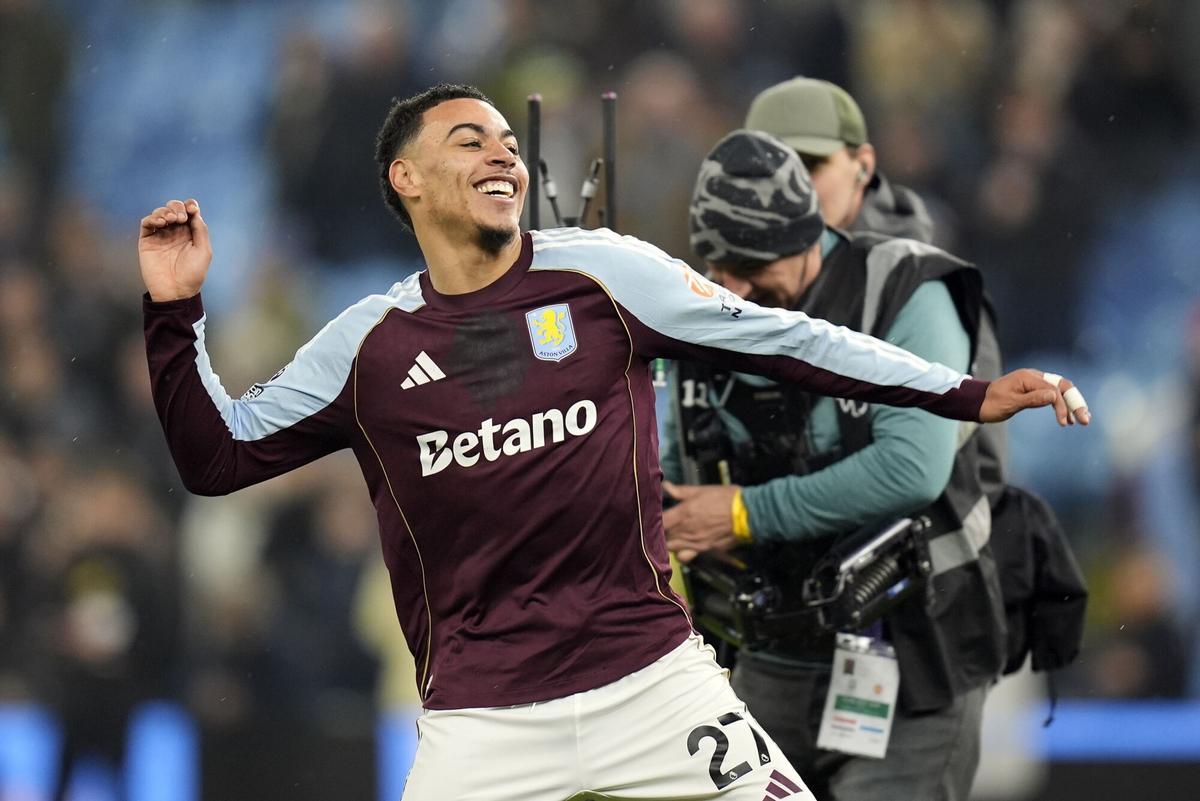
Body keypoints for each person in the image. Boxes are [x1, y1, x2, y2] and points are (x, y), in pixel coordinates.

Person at [138, 83, 1086, 801]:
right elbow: (217, 458)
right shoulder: (367, 344)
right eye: (471, 141)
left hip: (653, 685)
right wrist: (175, 315)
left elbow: (793, 341)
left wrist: (964, 394)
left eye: (511, 143)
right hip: (482, 720)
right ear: (407, 178)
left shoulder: (606, 276)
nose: (503, 155)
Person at [663, 127, 1044, 801]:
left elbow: (911, 468)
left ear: (809, 237)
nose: (736, 287)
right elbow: (665, 468)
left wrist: (745, 513)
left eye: (754, 266)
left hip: (913, 647)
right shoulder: (698, 310)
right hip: (769, 656)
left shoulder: (906, 289)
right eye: (720, 266)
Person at [744, 76, 935, 244]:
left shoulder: (908, 273)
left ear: (863, 165)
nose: (791, 186)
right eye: (769, 169)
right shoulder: (727, 253)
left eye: (810, 165)